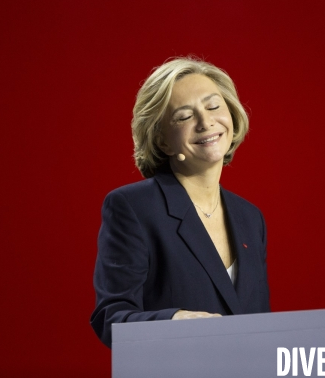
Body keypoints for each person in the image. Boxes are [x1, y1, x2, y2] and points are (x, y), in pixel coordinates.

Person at [90, 57, 271, 348]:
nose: (205, 122)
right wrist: (174, 321)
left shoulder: (250, 217)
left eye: (213, 107)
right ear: (164, 142)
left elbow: (259, 328)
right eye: (185, 116)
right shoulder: (133, 207)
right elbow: (111, 319)